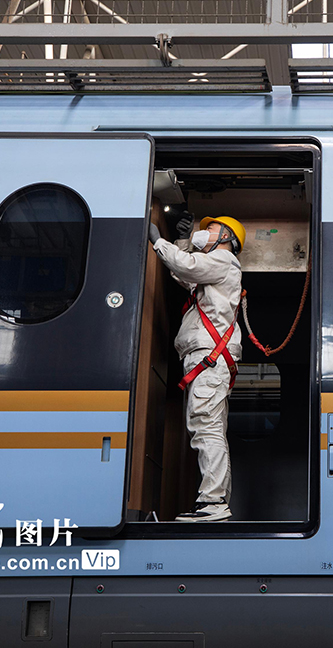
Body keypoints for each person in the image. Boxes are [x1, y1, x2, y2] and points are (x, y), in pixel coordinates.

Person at [148, 211, 246, 522]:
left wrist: (159, 241)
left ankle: (213, 503)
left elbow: (185, 265)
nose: (205, 232)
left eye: (212, 228)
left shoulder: (223, 260)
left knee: (206, 427)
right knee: (210, 427)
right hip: (207, 358)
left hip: (209, 356)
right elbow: (186, 275)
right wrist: (179, 241)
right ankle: (215, 501)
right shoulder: (214, 267)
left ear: (226, 237)